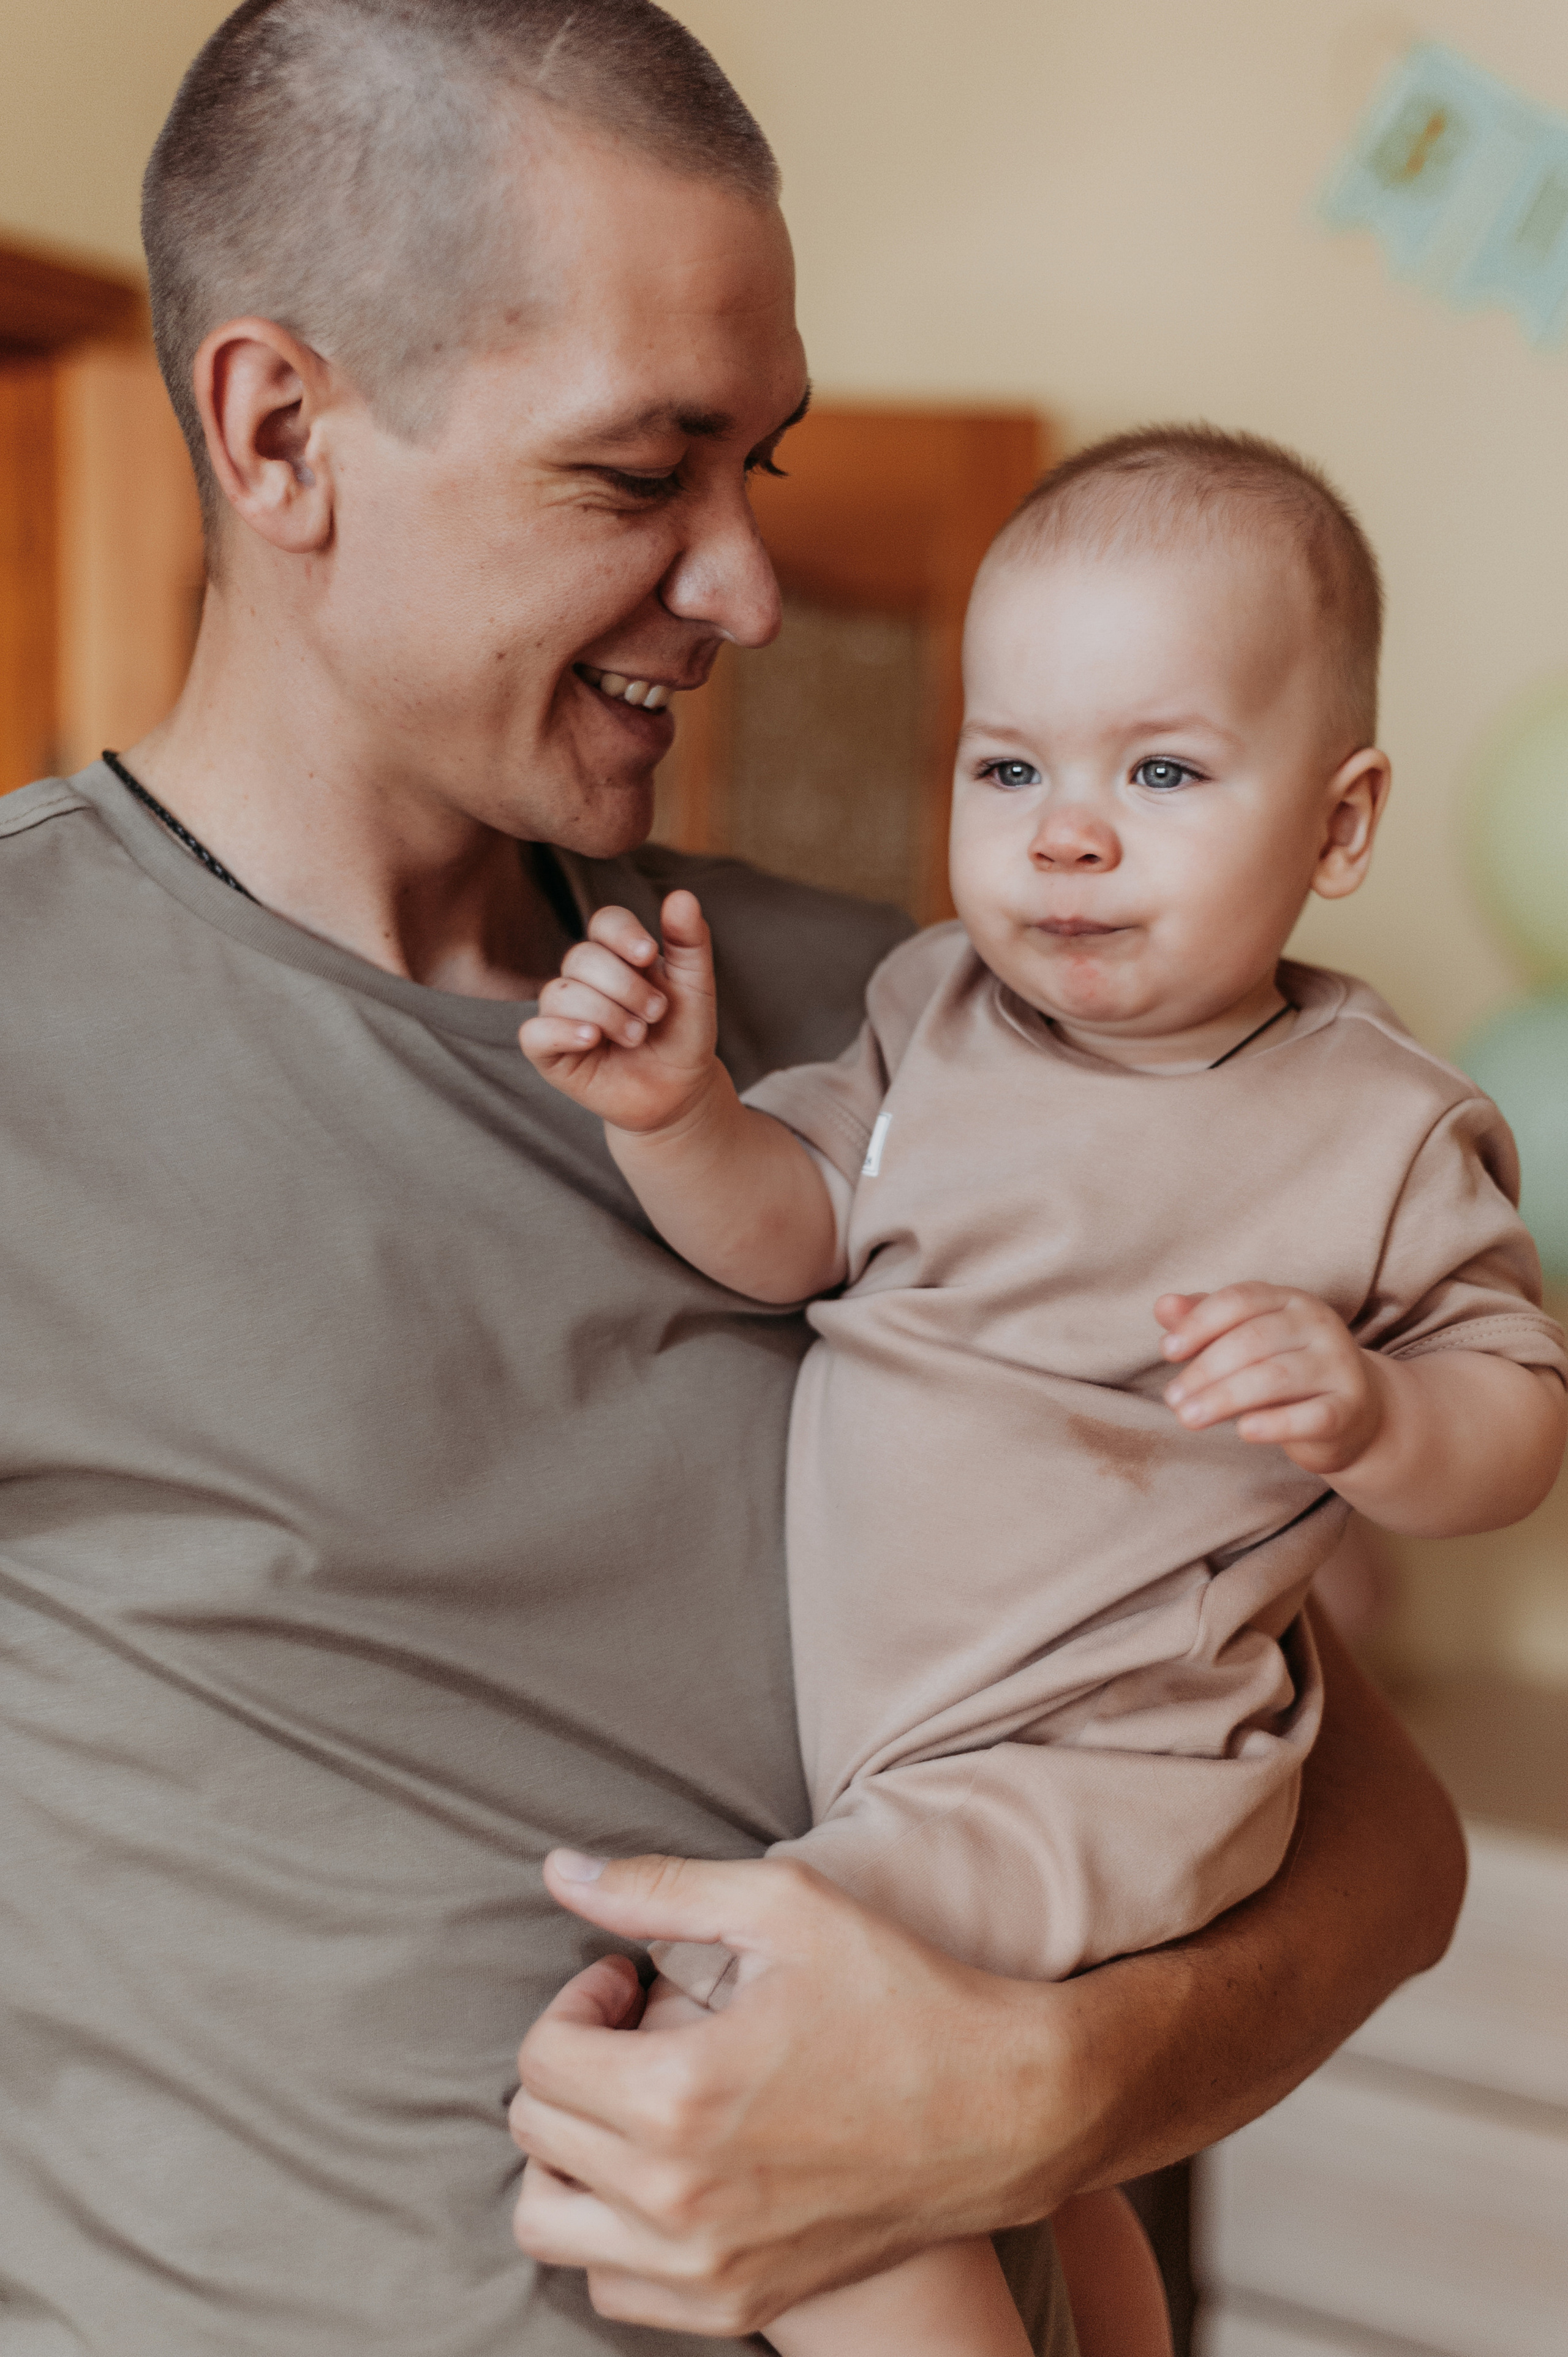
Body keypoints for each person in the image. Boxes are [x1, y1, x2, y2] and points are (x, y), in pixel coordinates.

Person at [0, 6, 1465, 2354]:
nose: (751, 586)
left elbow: (1384, 1851)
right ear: (283, 433)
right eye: (641, 472)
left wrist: (1027, 2095)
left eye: (762, 466)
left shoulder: (926, 1031)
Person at [519, 425, 1566, 2354]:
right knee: (1037, 2170)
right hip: (927, 1759)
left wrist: (1373, 1415)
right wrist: (678, 1117)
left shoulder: (1378, 1127)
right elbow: (795, 1229)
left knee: (753, 2047)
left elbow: (1517, 1418)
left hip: (1105, 1761)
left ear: (1338, 829)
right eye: (1012, 770)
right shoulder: (930, 1017)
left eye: (1160, 773)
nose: (1065, 833)